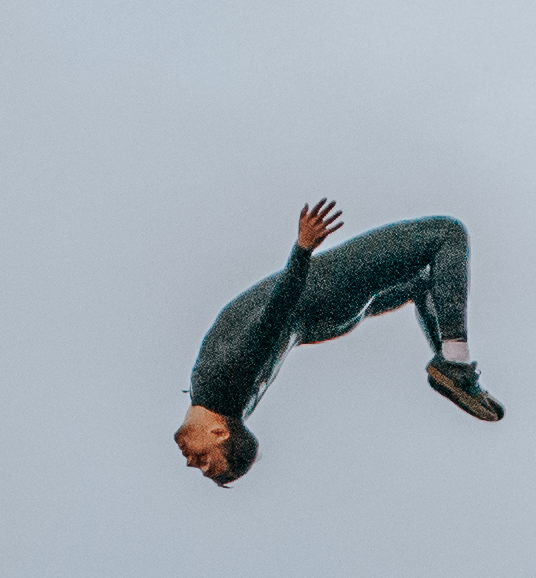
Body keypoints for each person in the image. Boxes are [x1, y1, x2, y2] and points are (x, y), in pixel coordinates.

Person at [174, 201, 503, 487]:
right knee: (445, 233)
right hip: (325, 290)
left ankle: (450, 367)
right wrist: (302, 249)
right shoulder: (223, 385)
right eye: (204, 461)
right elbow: (273, 315)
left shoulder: (220, 399)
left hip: (322, 317)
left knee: (420, 283)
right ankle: (454, 364)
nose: (191, 462)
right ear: (219, 433)